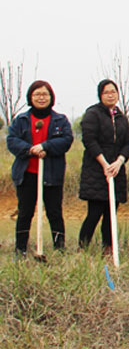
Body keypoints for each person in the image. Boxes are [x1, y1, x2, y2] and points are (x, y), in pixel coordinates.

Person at [7, 81, 73, 257]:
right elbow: (12, 140)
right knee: (25, 213)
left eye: (45, 94)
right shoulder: (21, 120)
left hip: (52, 173)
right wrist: (30, 150)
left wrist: (46, 146)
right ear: (30, 97)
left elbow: (66, 140)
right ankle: (20, 250)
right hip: (27, 173)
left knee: (54, 212)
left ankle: (59, 249)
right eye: (37, 94)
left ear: (51, 97)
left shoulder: (61, 120)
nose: (41, 98)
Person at [78, 79, 129, 253]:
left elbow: (128, 143)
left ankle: (108, 248)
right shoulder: (93, 114)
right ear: (100, 95)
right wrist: (104, 163)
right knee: (94, 213)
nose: (110, 95)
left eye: (113, 91)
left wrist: (119, 162)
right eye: (106, 92)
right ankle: (83, 247)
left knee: (111, 215)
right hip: (96, 170)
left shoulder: (121, 117)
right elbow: (89, 140)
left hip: (116, 169)